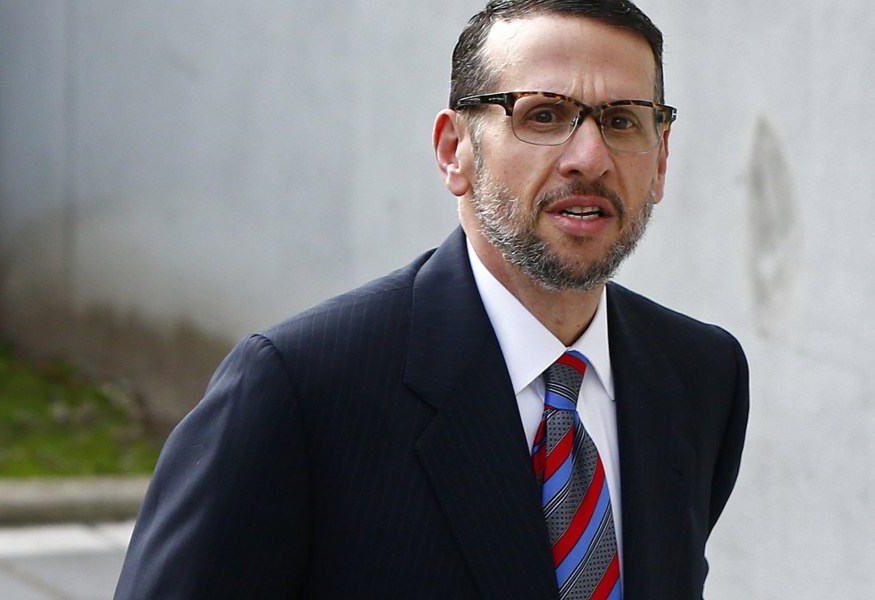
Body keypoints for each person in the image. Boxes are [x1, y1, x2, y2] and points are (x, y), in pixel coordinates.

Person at [115, 1, 749, 598]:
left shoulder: (701, 376)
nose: (590, 158)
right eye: (543, 116)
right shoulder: (298, 387)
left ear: (660, 160)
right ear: (454, 152)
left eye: (622, 120)